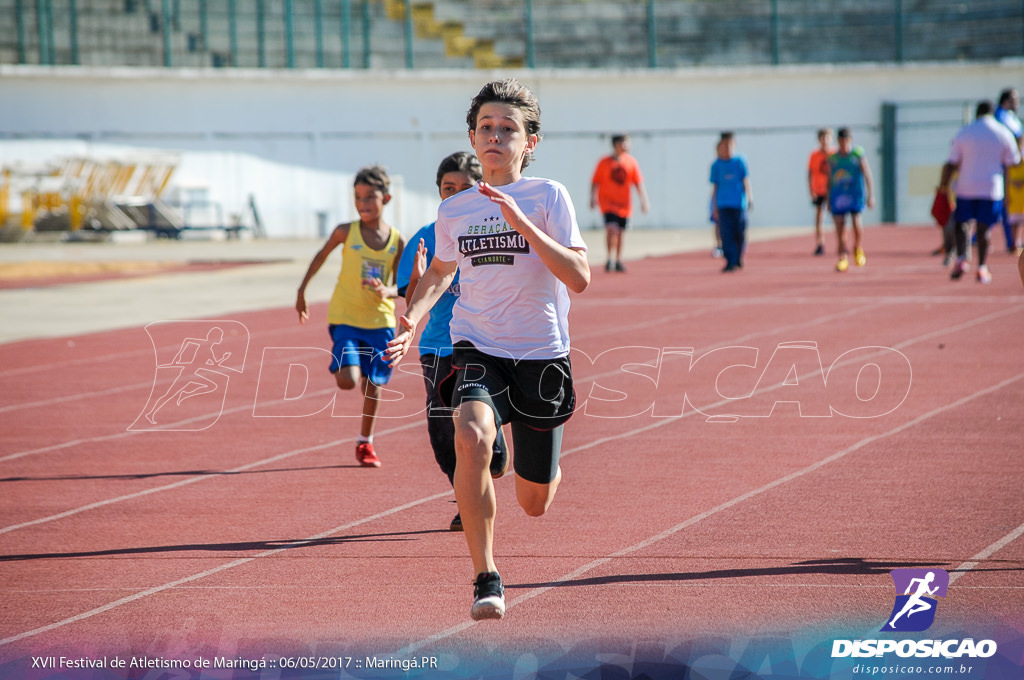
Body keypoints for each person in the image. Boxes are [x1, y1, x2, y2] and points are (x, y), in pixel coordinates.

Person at [387, 78, 590, 621]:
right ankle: (486, 577)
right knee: (471, 434)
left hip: (543, 355)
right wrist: (413, 315)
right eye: (486, 128)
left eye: (508, 129)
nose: (495, 136)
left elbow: (580, 277)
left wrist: (525, 226)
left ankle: (544, 468)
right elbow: (439, 270)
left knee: (534, 502)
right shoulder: (455, 211)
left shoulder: (549, 197)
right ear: (473, 139)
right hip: (477, 346)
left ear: (530, 142)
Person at [395, 151, 509, 532]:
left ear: (482, 188)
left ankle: (484, 463)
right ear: (439, 192)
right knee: (441, 429)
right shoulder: (426, 237)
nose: (456, 194)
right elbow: (412, 300)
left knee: (470, 422)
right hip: (438, 346)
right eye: (448, 188)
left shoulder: (499, 227)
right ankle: (466, 493)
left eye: (465, 187)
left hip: (482, 342)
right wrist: (417, 278)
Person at [295, 165, 404, 467]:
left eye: (370, 197)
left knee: (373, 386)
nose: (363, 204)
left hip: (380, 321)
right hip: (345, 317)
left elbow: (402, 285)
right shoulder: (346, 231)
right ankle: (344, 358)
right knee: (347, 380)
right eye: (358, 197)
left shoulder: (397, 241)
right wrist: (302, 290)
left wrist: (389, 290)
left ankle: (365, 442)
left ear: (387, 198)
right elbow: (321, 255)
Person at [939, 100, 1020, 284]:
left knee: (962, 223)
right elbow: (1014, 161)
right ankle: (982, 267)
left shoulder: (965, 132)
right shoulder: (1003, 132)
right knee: (984, 228)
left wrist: (943, 187)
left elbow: (951, 162)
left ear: (977, 113)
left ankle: (961, 258)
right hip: (991, 187)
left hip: (966, 186)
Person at [590, 134, 650, 272]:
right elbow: (595, 182)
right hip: (608, 203)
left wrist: (644, 201)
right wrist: (592, 198)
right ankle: (609, 258)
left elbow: (638, 183)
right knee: (612, 229)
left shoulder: (631, 162)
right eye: (625, 143)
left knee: (620, 233)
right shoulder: (603, 162)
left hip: (624, 205)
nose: (627, 146)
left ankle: (618, 260)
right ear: (617, 144)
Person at [827, 128, 874, 272]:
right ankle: (843, 257)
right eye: (841, 141)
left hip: (855, 195)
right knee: (840, 227)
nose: (843, 144)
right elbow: (830, 180)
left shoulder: (857, 154)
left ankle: (857, 248)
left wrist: (870, 194)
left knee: (856, 224)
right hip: (838, 195)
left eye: (846, 141)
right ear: (838, 141)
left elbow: (867, 174)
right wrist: (829, 199)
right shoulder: (833, 158)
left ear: (850, 141)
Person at [709, 131, 753, 272]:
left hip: (738, 204)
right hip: (723, 204)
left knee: (740, 233)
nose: (727, 148)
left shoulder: (740, 162)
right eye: (724, 145)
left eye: (729, 145)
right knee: (726, 234)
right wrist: (714, 206)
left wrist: (750, 197)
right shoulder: (716, 165)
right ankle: (730, 261)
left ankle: (738, 257)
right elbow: (715, 187)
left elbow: (745, 180)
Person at [995, 88, 1023, 253]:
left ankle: (1014, 239)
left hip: (1015, 165)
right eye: (1014, 99)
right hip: (1005, 166)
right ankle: (1011, 240)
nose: (1017, 102)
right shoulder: (1000, 117)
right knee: (1005, 201)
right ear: (1006, 101)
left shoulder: (1011, 117)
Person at [808, 128, 834, 256]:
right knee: (819, 217)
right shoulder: (814, 155)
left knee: (837, 217)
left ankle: (841, 242)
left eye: (826, 138)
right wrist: (811, 190)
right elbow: (810, 173)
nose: (824, 141)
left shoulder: (835, 154)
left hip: (833, 190)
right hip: (819, 189)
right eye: (822, 138)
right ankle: (820, 243)